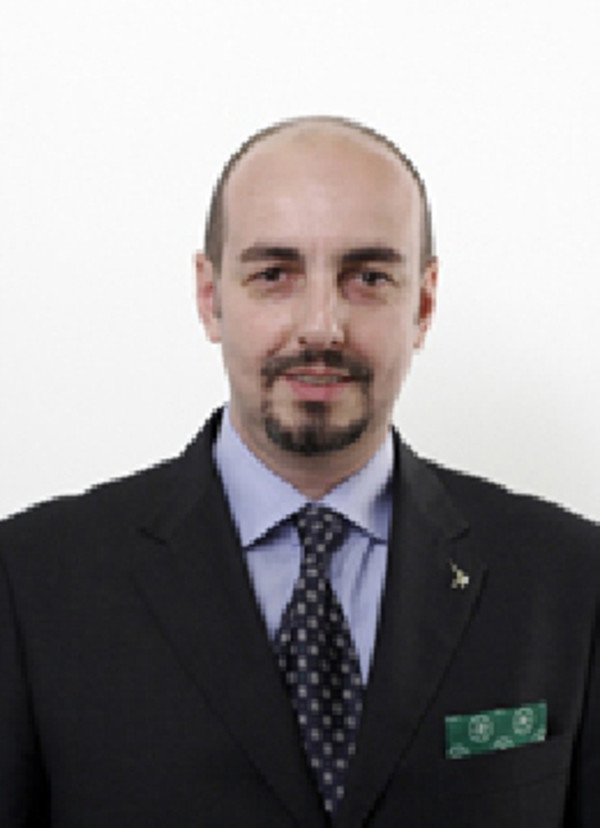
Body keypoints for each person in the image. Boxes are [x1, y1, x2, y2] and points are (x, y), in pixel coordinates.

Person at [1, 115, 598, 827]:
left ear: (424, 304)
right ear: (210, 297)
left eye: (368, 277)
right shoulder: (31, 582)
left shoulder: (571, 579)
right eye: (274, 275)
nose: (321, 326)